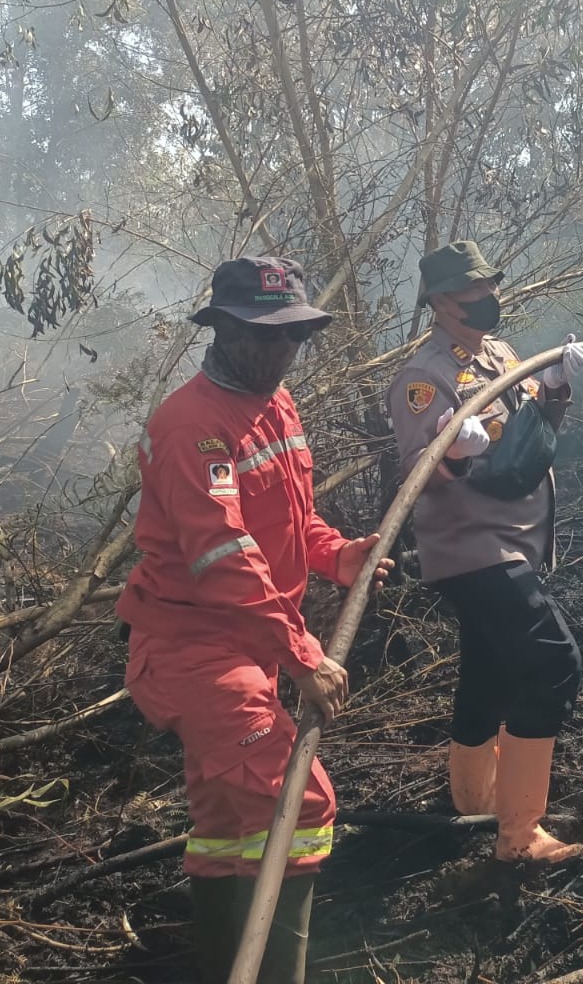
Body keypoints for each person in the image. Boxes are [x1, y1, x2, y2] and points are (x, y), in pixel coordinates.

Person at [117, 256, 393, 984]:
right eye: (265, 337)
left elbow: (288, 520)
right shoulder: (191, 428)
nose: (280, 352)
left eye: (293, 337)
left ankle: (221, 964)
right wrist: (302, 653)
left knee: (228, 825)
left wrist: (339, 556)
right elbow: (224, 555)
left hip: (249, 642)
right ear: (224, 329)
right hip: (196, 649)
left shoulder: (279, 403)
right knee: (298, 804)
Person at [386, 240, 583, 864]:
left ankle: (475, 799)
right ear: (441, 303)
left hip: (515, 540)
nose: (488, 299)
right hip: (474, 550)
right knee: (553, 663)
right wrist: (451, 450)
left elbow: (530, 430)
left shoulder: (499, 354)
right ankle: (519, 836)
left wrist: (552, 387)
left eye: (489, 287)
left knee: (490, 670)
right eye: (473, 292)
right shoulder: (425, 377)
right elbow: (415, 469)